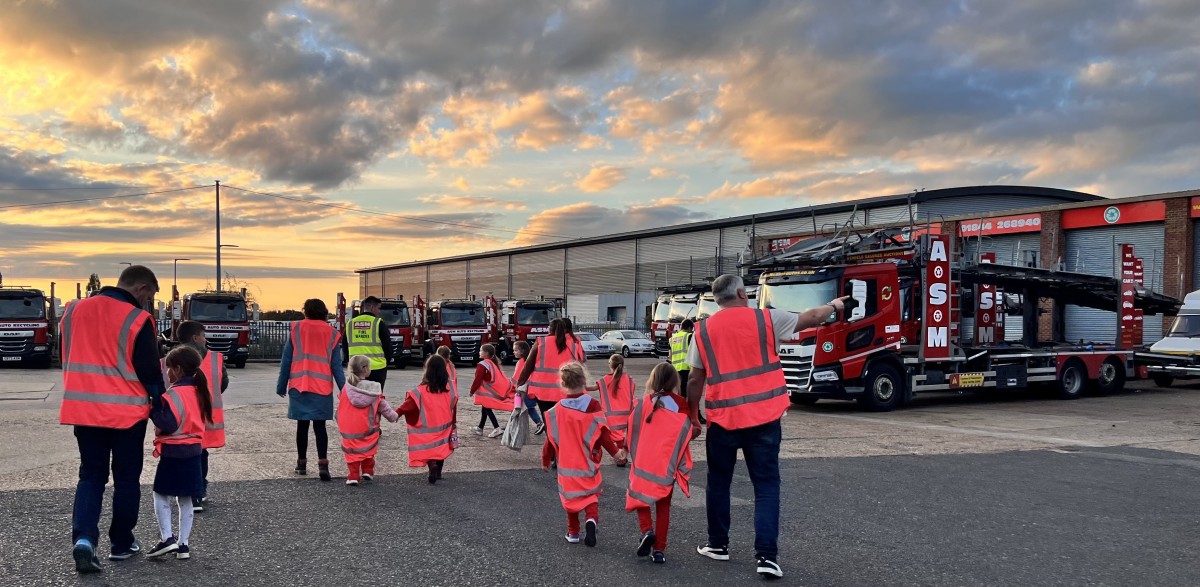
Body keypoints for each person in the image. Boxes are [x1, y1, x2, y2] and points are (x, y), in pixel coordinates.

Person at [688, 274, 847, 579]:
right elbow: (813, 317)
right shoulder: (766, 320)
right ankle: (767, 557)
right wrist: (835, 305)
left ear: (717, 299)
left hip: (723, 421)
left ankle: (718, 545)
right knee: (766, 486)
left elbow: (695, 379)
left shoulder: (703, 330)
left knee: (719, 483)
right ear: (740, 292)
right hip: (764, 419)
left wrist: (693, 415)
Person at [59, 265, 164, 572]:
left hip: (84, 409)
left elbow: (66, 352)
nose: (148, 302)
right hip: (126, 413)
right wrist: (159, 400)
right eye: (150, 296)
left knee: (91, 476)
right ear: (142, 289)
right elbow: (149, 370)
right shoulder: (137, 318)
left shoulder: (73, 310)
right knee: (126, 479)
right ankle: (121, 544)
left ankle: (84, 541)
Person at [542, 362, 627, 547]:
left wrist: (546, 459)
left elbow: (550, 438)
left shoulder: (556, 410)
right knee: (591, 495)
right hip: (587, 461)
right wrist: (615, 453)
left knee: (571, 498)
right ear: (583, 380)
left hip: (566, 465)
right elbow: (603, 434)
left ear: (562, 383)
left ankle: (573, 532)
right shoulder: (592, 405)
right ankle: (591, 520)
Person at [145, 346, 214, 561]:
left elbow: (168, 423)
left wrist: (153, 409)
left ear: (178, 369)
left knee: (160, 493)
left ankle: (167, 538)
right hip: (194, 451)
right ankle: (184, 544)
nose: (166, 373)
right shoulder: (200, 392)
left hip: (173, 451)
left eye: (168, 369)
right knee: (186, 498)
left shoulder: (173, 395)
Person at [625, 363, 693, 565]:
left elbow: (631, 429)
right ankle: (659, 550)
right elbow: (686, 433)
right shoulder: (681, 404)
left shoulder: (643, 403)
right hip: (666, 467)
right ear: (675, 382)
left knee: (640, 498)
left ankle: (646, 530)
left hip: (644, 464)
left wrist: (628, 452)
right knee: (664, 508)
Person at [276, 299, 345, 482]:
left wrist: (281, 385)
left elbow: (286, 360)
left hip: (300, 385)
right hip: (322, 387)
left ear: (305, 310)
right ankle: (323, 464)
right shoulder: (331, 333)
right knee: (320, 427)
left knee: (302, 426)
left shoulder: (296, 329)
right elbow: (336, 366)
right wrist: (345, 390)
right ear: (324, 311)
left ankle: (302, 463)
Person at [176, 320, 229, 513]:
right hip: (205, 414)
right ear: (195, 338)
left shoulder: (171, 359)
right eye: (204, 336)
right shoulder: (214, 358)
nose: (206, 340)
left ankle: (186, 492)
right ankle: (198, 492)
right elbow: (223, 382)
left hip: (180, 415)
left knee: (181, 454)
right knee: (201, 452)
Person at [395, 355, 459, 484]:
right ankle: (439, 472)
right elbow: (454, 404)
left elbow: (407, 406)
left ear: (427, 370)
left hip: (426, 428)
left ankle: (432, 466)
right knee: (441, 448)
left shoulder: (419, 391)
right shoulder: (450, 387)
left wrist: (395, 414)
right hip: (444, 425)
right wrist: (453, 422)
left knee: (430, 450)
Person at [338, 355, 400, 486]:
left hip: (349, 429)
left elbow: (341, 403)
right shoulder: (373, 390)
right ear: (365, 369)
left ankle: (353, 476)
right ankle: (368, 470)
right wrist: (394, 416)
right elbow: (383, 407)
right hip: (368, 428)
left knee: (352, 453)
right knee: (368, 450)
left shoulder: (346, 388)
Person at [516, 318, 585, 418]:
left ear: (550, 329)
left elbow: (528, 366)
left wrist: (520, 383)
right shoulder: (573, 344)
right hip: (566, 389)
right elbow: (579, 365)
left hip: (543, 391)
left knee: (548, 420)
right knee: (563, 421)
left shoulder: (541, 342)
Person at [585, 354, 635, 454]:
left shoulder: (604, 380)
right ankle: (622, 454)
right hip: (627, 415)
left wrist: (582, 384)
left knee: (601, 432)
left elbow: (591, 388)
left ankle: (598, 451)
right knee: (623, 437)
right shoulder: (629, 380)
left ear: (610, 365)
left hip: (610, 417)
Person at [344, 296, 394, 388]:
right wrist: (385, 362)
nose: (379, 311)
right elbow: (388, 346)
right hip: (377, 368)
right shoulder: (378, 323)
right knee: (375, 398)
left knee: (357, 396)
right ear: (372, 307)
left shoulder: (350, 323)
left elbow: (345, 346)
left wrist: (350, 362)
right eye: (378, 308)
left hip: (356, 369)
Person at [469, 344, 512, 438]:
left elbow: (478, 379)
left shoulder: (482, 364)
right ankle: (480, 428)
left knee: (487, 408)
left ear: (486, 353)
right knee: (485, 408)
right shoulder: (492, 363)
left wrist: (472, 391)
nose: (479, 352)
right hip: (491, 391)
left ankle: (497, 428)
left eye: (481, 350)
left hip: (487, 392)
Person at [510, 340, 545, 434]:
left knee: (522, 408)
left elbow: (517, 377)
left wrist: (512, 386)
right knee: (529, 408)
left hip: (524, 391)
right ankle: (540, 423)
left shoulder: (521, 362)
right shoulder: (530, 361)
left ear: (522, 351)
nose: (514, 352)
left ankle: (539, 423)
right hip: (532, 389)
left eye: (516, 350)